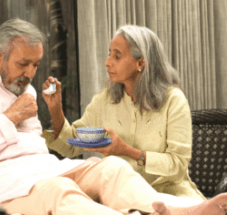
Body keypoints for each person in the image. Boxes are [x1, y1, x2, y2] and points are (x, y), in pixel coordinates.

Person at [0, 18, 226, 215]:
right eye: (23, 64)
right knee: (59, 188)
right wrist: (11, 116)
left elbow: (42, 147)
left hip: (42, 168)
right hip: (1, 181)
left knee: (110, 167)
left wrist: (123, 151)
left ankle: (175, 211)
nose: (30, 73)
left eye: (35, 65)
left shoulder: (21, 91)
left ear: (141, 63)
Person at [42, 25, 205, 201]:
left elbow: (177, 164)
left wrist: (127, 151)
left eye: (117, 56)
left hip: (170, 194)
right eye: (109, 53)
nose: (107, 62)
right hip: (121, 196)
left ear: (140, 63)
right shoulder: (105, 100)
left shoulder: (174, 101)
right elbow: (71, 145)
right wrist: (55, 109)